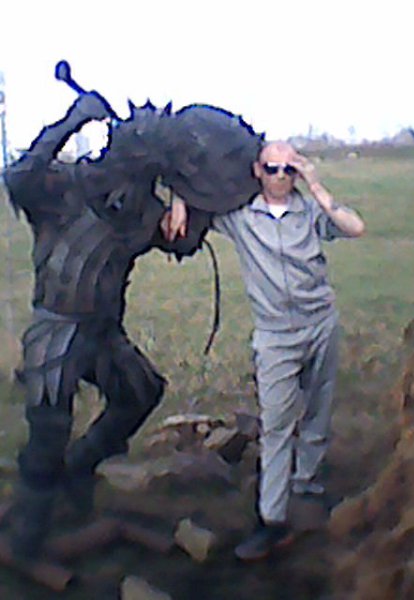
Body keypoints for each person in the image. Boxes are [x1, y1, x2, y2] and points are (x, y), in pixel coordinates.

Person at [3, 87, 260, 560]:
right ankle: (29, 531)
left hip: (102, 333)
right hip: (56, 331)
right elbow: (18, 177)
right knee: (48, 430)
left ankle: (79, 470)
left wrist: (187, 200)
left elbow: (185, 242)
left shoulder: (142, 211)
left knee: (141, 393)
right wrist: (72, 120)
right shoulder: (65, 189)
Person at [163, 140, 365, 561]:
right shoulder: (240, 216)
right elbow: (197, 195)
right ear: (257, 170)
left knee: (317, 410)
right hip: (275, 337)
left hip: (321, 323)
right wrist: (179, 199)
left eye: (288, 170)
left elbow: (355, 228)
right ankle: (271, 519)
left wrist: (317, 187)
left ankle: (306, 485)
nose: (279, 177)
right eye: (272, 168)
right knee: (276, 425)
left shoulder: (309, 212)